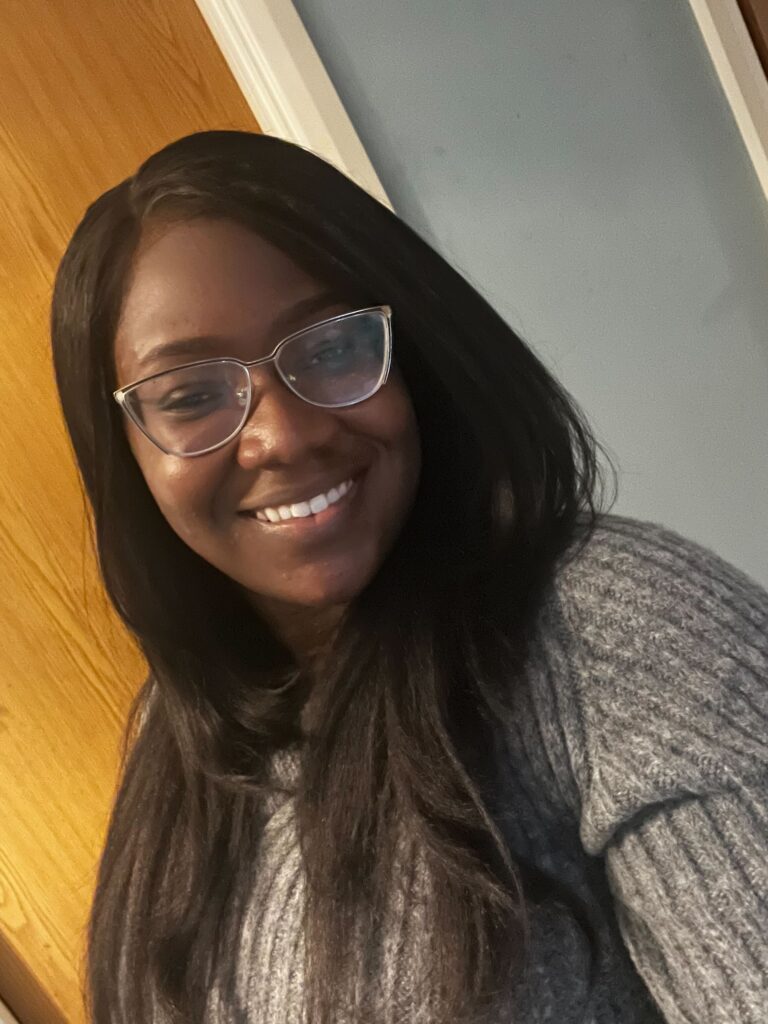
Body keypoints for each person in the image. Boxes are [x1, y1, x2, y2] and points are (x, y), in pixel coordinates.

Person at [51, 130, 767, 1024]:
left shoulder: (619, 628)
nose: (283, 435)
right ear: (124, 455)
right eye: (191, 395)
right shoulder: (177, 724)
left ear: (412, 354)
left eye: (330, 349)